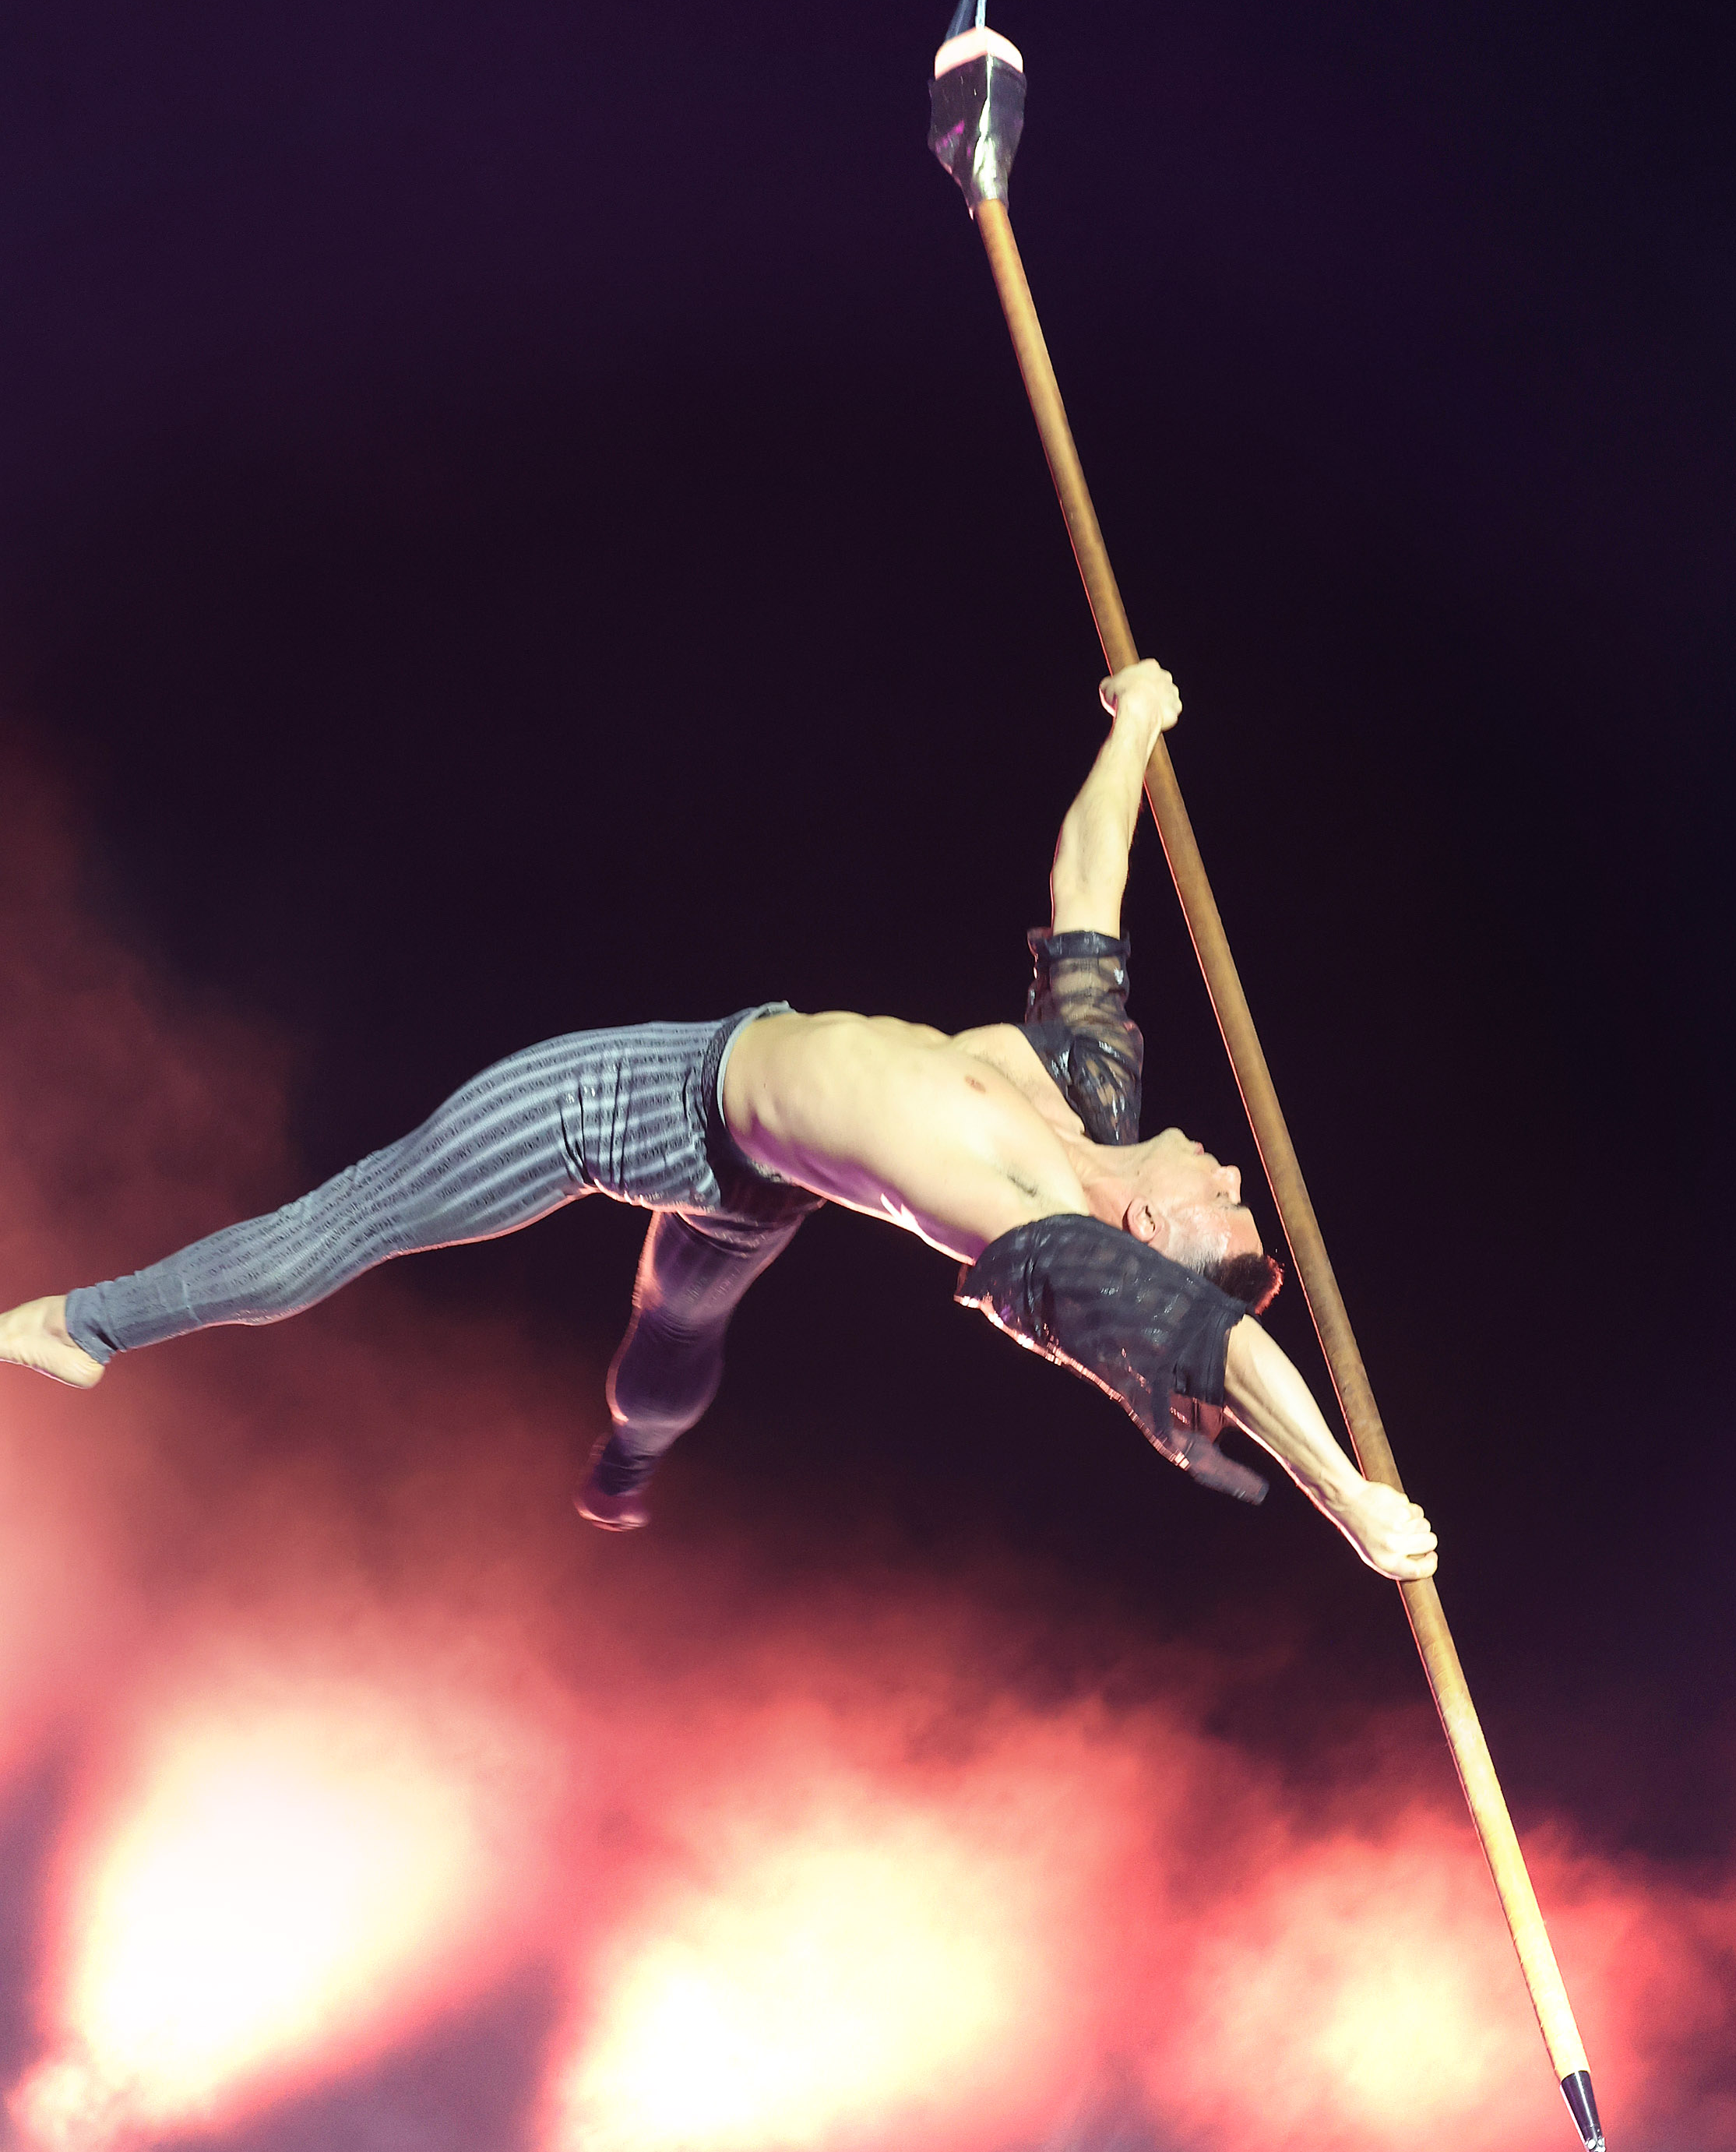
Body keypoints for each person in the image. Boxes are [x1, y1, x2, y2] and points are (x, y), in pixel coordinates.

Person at [0, 664, 1435, 1580]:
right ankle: (626, 1467)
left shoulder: (1040, 1228)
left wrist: (1353, 1500)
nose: (1235, 1171)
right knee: (683, 1330)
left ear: (1148, 1234)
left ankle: (83, 1328)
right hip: (760, 1173)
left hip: (641, 1101)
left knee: (364, 1217)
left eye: (1228, 1214)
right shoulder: (1090, 1097)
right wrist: (1134, 727)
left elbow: (1213, 1348)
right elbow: (1089, 888)